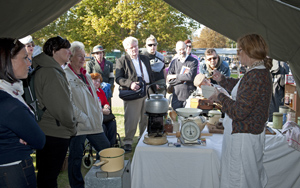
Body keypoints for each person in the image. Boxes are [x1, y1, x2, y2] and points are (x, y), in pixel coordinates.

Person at [209, 34, 272, 188]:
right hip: (246, 136)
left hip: (244, 139)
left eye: (239, 51)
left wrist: (220, 97)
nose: (237, 55)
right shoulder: (256, 71)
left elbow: (239, 112)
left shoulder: (257, 75)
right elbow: (242, 89)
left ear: (249, 51)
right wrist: (222, 80)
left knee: (239, 181)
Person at [32, 36, 77, 188]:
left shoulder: (46, 69)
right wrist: (72, 126)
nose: (69, 52)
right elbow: (61, 108)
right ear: (53, 51)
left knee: (46, 176)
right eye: (66, 49)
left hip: (47, 130)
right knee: (49, 178)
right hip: (55, 132)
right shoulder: (51, 72)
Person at [0, 38, 45, 188]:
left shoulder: (10, 92)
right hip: (14, 171)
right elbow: (39, 140)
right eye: (24, 58)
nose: (29, 62)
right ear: (8, 61)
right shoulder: (8, 103)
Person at [64, 41, 110, 187]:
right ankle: (77, 185)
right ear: (70, 57)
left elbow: (94, 98)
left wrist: (98, 114)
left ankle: (106, 180)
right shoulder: (65, 76)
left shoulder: (87, 75)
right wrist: (82, 118)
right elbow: (68, 103)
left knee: (107, 151)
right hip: (79, 125)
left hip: (94, 123)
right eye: (79, 56)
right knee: (75, 158)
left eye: (84, 56)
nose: (83, 59)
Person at [115, 36, 155, 152]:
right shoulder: (122, 60)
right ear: (126, 49)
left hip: (147, 90)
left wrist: (153, 86)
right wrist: (130, 84)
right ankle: (128, 141)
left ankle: (143, 137)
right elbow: (118, 78)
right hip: (134, 92)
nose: (134, 49)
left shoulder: (144, 58)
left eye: (136, 46)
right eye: (131, 47)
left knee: (145, 117)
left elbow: (150, 73)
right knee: (131, 118)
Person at [167, 41, 198, 110]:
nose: (182, 51)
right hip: (176, 97)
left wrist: (175, 76)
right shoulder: (174, 62)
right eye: (179, 50)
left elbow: (190, 77)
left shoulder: (193, 61)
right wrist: (184, 79)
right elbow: (170, 80)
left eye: (183, 49)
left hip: (189, 96)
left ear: (186, 48)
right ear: (176, 50)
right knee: (176, 119)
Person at [90, 72, 117, 147]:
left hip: (102, 116)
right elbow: (90, 107)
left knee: (112, 124)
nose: (97, 83)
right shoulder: (88, 92)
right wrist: (102, 111)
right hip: (93, 117)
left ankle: (112, 145)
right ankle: (104, 147)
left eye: (99, 81)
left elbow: (106, 102)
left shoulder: (101, 91)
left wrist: (106, 106)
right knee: (103, 127)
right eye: (95, 81)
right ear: (90, 80)